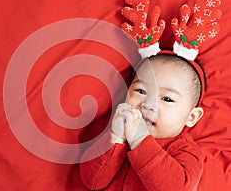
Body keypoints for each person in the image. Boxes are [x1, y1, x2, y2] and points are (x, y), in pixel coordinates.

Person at [79, 54, 205, 190]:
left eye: (167, 99)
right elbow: (92, 181)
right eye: (141, 91)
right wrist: (115, 138)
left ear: (191, 117)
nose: (148, 104)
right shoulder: (118, 136)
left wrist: (140, 139)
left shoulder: (185, 150)